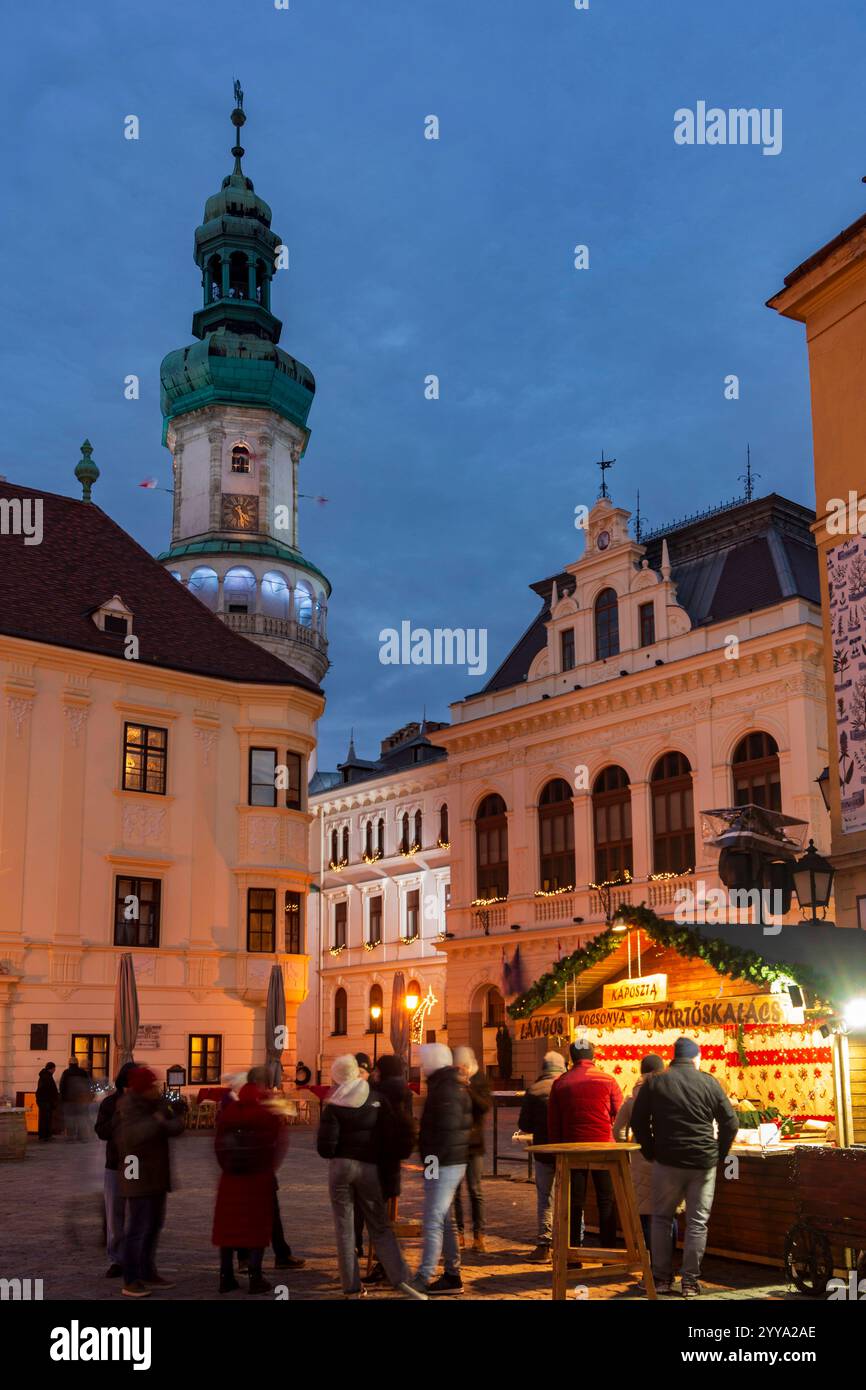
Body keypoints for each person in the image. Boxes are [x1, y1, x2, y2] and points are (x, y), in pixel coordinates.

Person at [630, 1036, 738, 1298]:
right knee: (697, 1222)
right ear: (696, 1057)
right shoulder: (709, 1082)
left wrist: (651, 1150)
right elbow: (731, 1123)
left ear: (673, 1057)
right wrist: (719, 1153)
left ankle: (662, 1279)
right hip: (703, 1163)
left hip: (667, 1161)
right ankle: (690, 1282)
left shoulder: (655, 1082)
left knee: (662, 1219)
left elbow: (638, 1121)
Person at [316, 1054, 425, 1299]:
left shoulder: (333, 1103)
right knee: (380, 1225)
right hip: (368, 1167)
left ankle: (352, 1287)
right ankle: (401, 1279)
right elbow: (390, 1132)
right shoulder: (374, 1098)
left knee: (344, 1229)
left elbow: (325, 1148)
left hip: (341, 1167)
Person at [212, 1070, 288, 1295]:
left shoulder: (228, 1113)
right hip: (258, 1178)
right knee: (256, 1228)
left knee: (227, 1228)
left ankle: (226, 1276)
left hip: (230, 1178)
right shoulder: (266, 1113)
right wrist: (268, 1168)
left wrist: (226, 1166)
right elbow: (278, 1145)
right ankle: (255, 1276)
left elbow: (218, 1144)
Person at [115, 1066, 185, 1298]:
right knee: (137, 1228)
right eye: (152, 1085)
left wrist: (167, 1116)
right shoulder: (128, 1105)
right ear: (142, 1088)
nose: (156, 1088)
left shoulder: (156, 1103)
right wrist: (158, 1120)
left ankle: (147, 1271)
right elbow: (134, 1137)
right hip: (137, 1175)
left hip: (156, 1174)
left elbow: (176, 1127)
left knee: (154, 1226)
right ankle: (131, 1279)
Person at [548, 1039, 623, 1250]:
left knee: (575, 1202)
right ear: (593, 1056)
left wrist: (557, 1152)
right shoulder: (608, 1080)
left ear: (571, 1058)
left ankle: (573, 1253)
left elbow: (553, 1122)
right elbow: (618, 1111)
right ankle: (608, 1251)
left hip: (573, 1149)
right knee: (605, 1200)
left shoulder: (561, 1082)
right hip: (603, 1148)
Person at [411, 1043, 472, 1296]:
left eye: (425, 1061)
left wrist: (431, 1164)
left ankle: (424, 1277)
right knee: (445, 1219)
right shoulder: (449, 1084)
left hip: (444, 1162)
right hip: (448, 1160)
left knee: (433, 1220)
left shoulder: (444, 1089)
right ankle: (452, 1275)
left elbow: (442, 1132)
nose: (422, 1066)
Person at [613, 1054, 677, 1263]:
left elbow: (618, 1130)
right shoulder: (673, 1094)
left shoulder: (633, 1099)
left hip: (641, 1160)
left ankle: (650, 1268)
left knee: (648, 1216)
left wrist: (628, 1148)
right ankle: (669, 1264)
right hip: (669, 1160)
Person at [363, 1053, 416, 1286]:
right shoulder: (403, 1092)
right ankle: (386, 1264)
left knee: (379, 1220)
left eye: (377, 1069)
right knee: (384, 1217)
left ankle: (390, 1266)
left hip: (377, 1161)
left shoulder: (379, 1093)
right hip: (391, 1162)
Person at [518, 1050, 567, 1262]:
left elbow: (524, 1124)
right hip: (568, 1151)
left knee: (545, 1198)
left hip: (543, 1151)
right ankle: (572, 1242)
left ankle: (544, 1245)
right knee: (570, 1197)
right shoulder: (568, 1087)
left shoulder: (534, 1089)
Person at [94, 1061, 136, 1277]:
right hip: (114, 1163)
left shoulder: (141, 1103)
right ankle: (116, 1258)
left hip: (133, 1162)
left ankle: (132, 1255)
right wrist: (117, 1119)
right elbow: (101, 1131)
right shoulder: (110, 1103)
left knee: (132, 1209)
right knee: (114, 1212)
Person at [452, 1045, 491, 1252]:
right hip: (457, 1146)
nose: (463, 1069)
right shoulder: (451, 1082)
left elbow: (484, 1106)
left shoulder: (479, 1081)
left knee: (475, 1191)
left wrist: (468, 1088)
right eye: (459, 1065)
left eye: (465, 1065)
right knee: (456, 1194)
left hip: (475, 1145)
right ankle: (459, 1234)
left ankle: (479, 1236)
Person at [59, 1056, 92, 1140]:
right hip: (81, 1101)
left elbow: (62, 1086)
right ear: (77, 1063)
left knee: (69, 1119)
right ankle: (81, 1136)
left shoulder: (66, 1072)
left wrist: (63, 1098)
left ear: (69, 1063)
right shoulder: (83, 1072)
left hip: (68, 1101)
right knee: (81, 1118)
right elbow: (88, 1085)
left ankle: (70, 1136)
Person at [35, 1062, 59, 1142]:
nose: (55, 1070)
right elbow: (48, 1090)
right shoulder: (47, 1077)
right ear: (51, 1069)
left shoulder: (44, 1076)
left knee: (44, 1118)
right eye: (54, 1068)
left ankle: (44, 1135)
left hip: (43, 1101)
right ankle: (45, 1136)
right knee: (46, 1119)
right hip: (46, 1101)